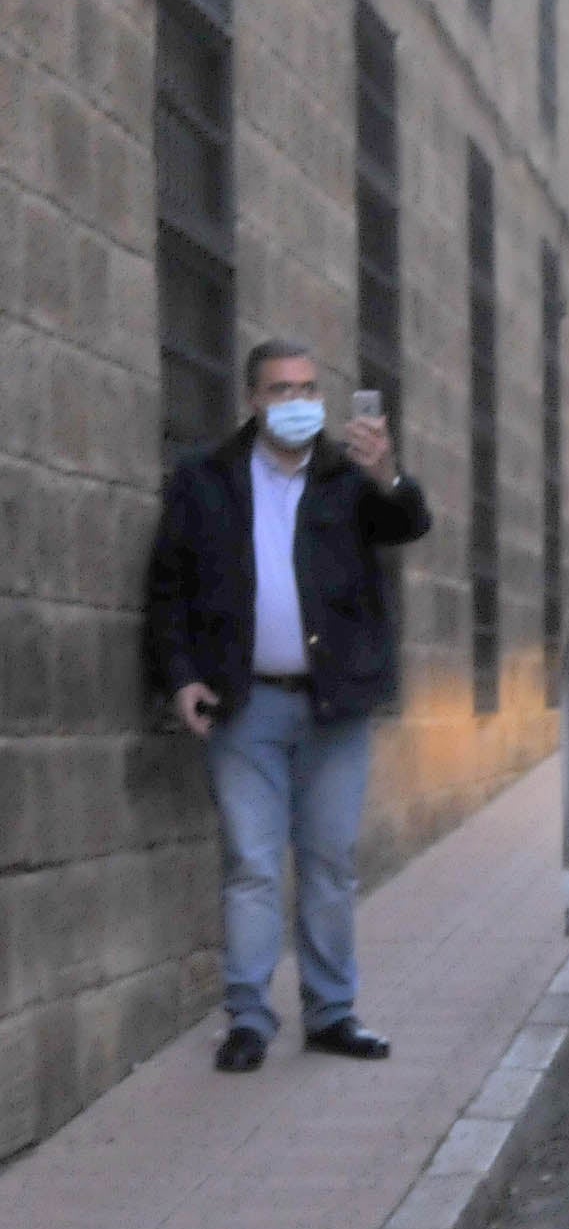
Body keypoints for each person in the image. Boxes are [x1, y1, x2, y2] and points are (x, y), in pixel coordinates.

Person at [143, 340, 430, 1073]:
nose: (296, 402)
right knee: (252, 865)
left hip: (333, 707)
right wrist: (181, 677)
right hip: (244, 706)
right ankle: (248, 1018)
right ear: (252, 398)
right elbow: (168, 588)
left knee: (330, 863)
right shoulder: (205, 481)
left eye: (307, 388)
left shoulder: (347, 478)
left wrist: (386, 472)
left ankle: (333, 1013)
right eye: (280, 390)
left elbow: (409, 524)